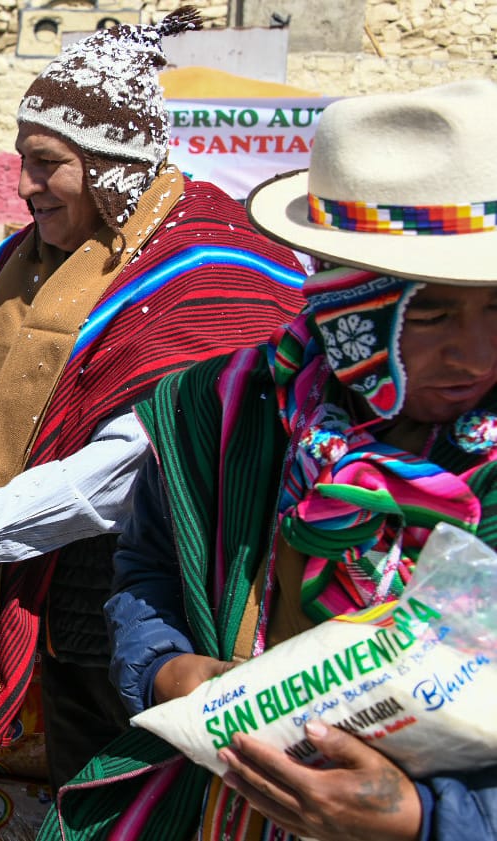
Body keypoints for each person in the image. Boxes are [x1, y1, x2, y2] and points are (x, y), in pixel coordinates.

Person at [0, 8, 308, 791]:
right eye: (21, 159)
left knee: (130, 787)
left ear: (112, 163)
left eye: (46, 163)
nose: (23, 186)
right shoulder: (30, 264)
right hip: (43, 581)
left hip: (156, 596)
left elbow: (111, 474)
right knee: (69, 784)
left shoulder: (197, 274)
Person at [50, 79, 497, 841]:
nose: (477, 352)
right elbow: (149, 566)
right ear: (348, 306)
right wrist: (168, 669)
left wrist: (424, 818)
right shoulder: (219, 411)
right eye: (429, 313)